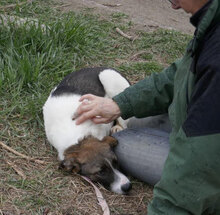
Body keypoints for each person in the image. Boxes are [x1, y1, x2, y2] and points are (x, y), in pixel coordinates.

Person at [75, 0, 220, 214]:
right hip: (203, 127)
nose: (173, 6)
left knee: (121, 143)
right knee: (133, 122)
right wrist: (120, 104)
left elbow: (201, 159)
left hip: (210, 154)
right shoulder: (212, 22)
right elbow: (179, 75)